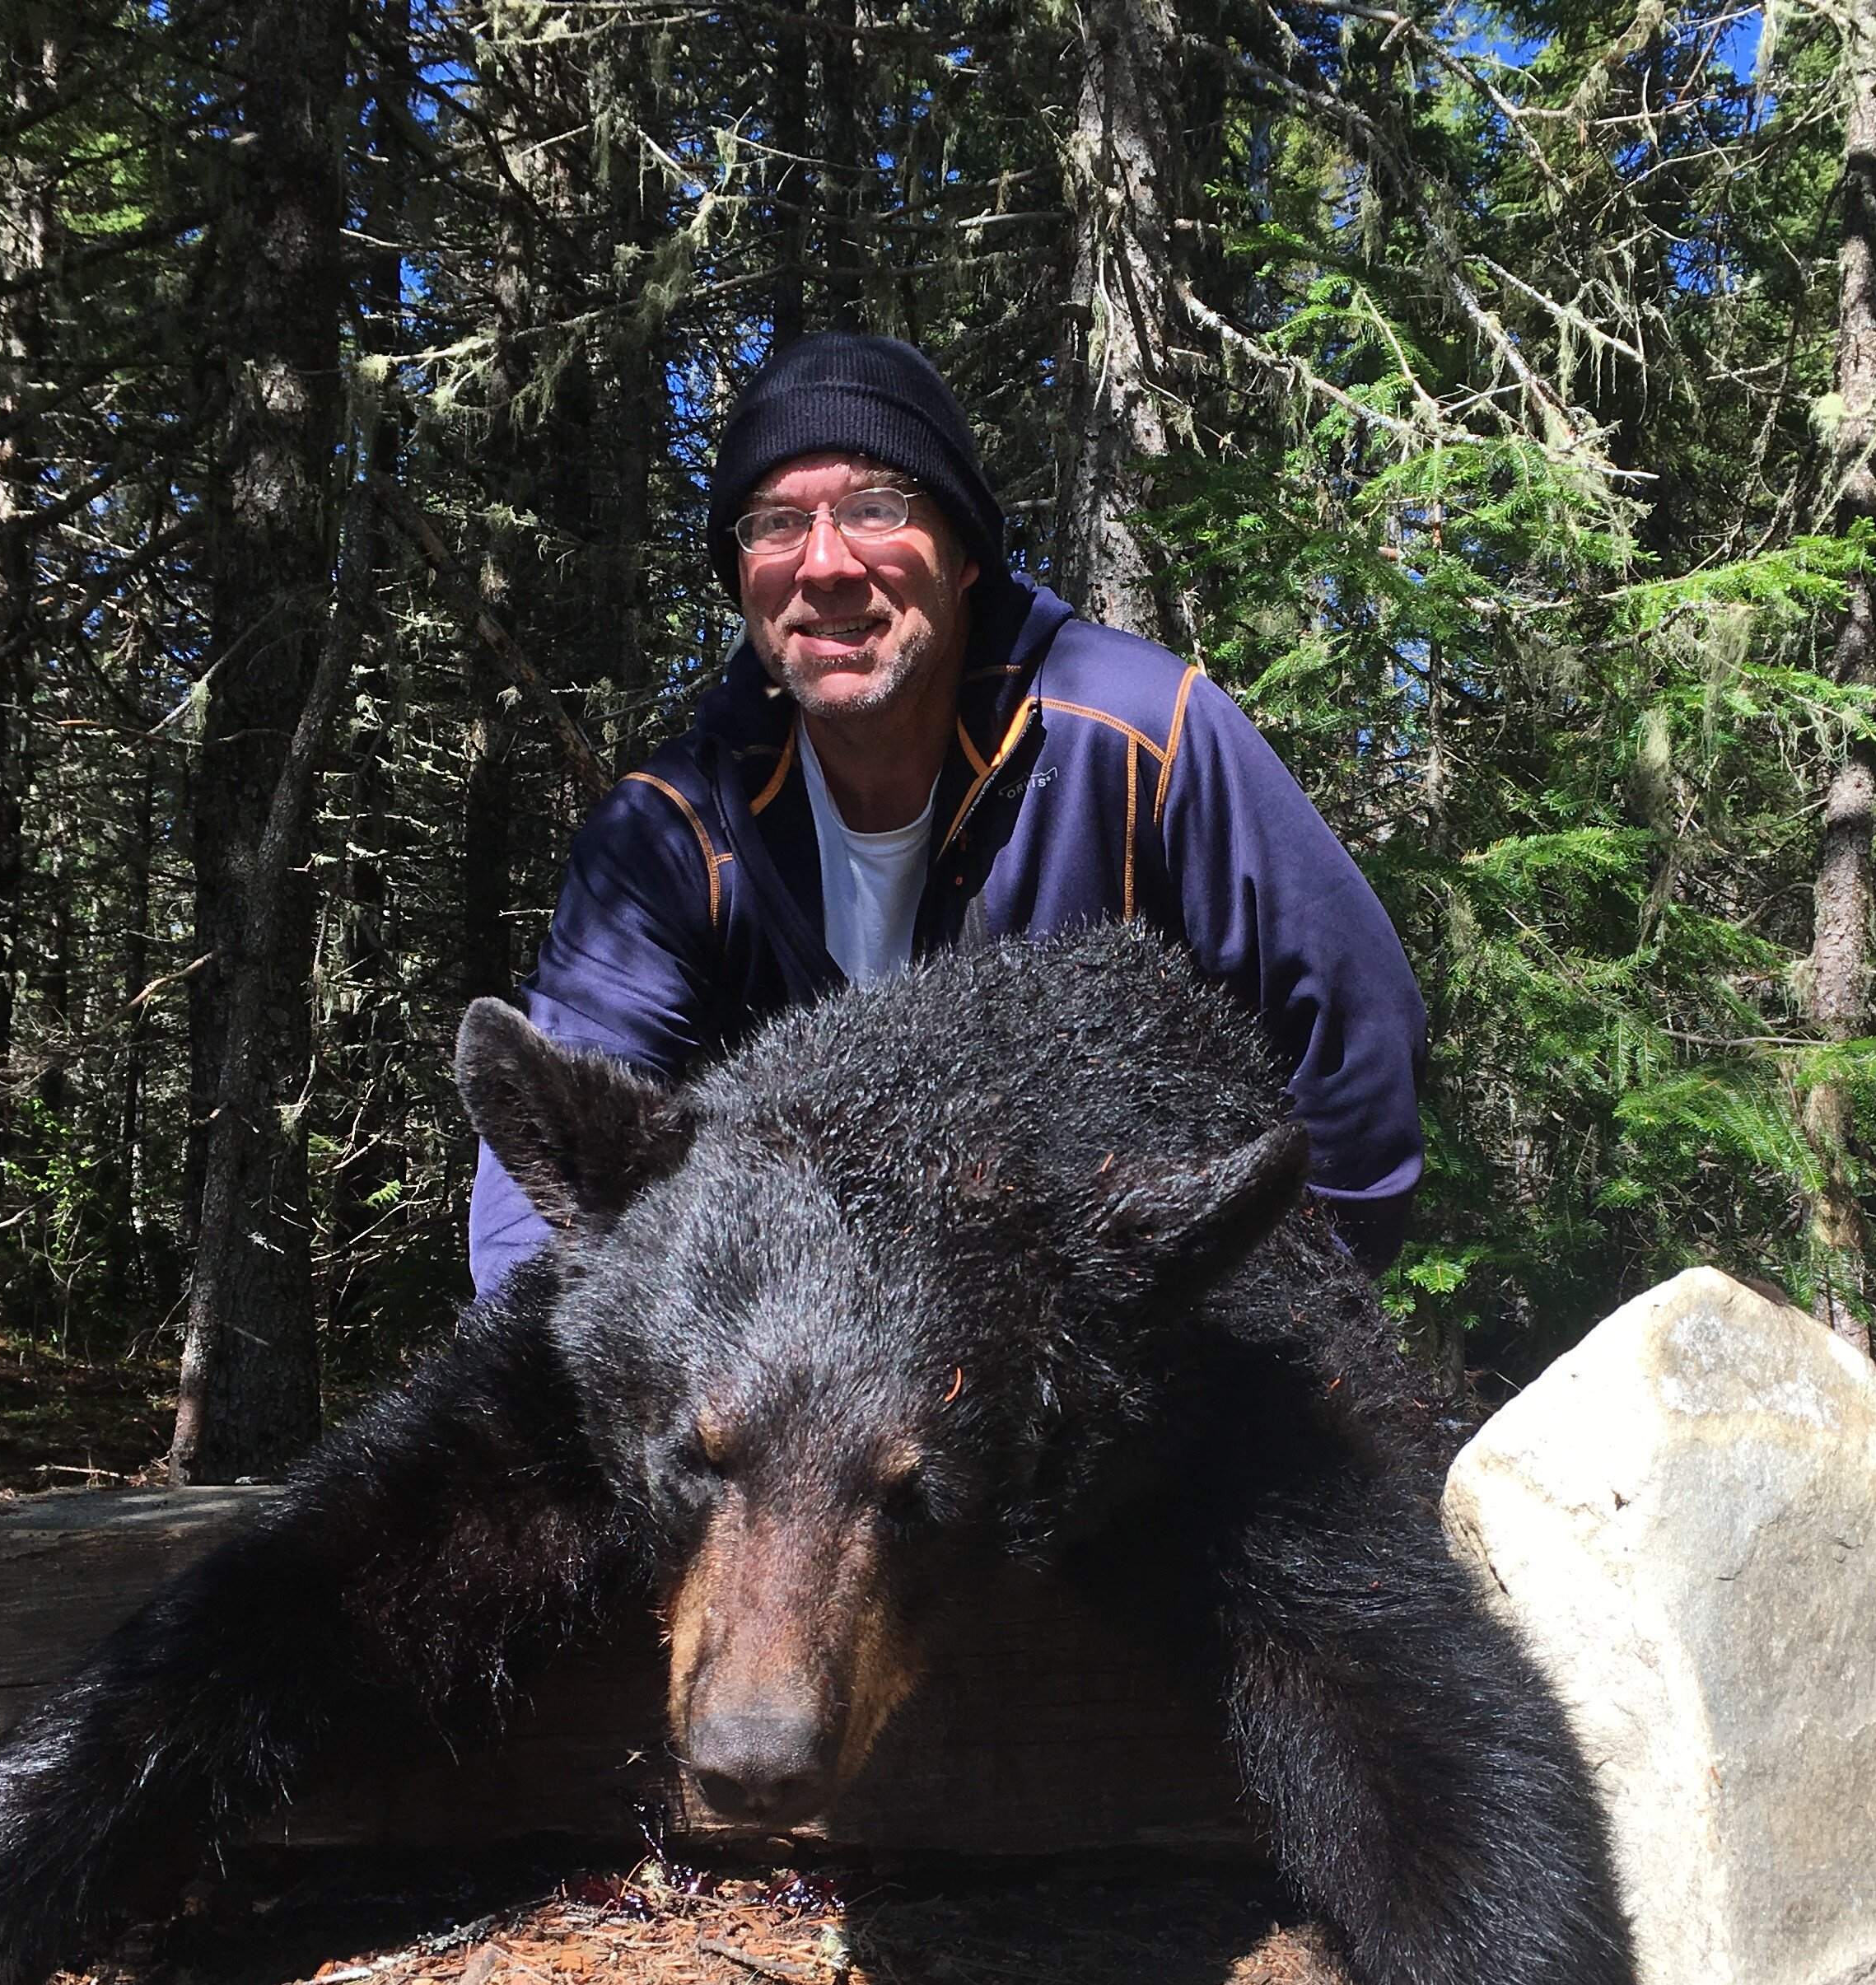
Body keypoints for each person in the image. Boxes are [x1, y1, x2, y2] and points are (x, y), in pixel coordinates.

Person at [466, 331, 1428, 1294]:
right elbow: (560, 1155)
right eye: (774, 524)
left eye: (877, 509)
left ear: (964, 553)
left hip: (1122, 1344)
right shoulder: (673, 838)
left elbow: (1352, 1038)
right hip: (799, 1381)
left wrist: (1288, 1329)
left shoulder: (1137, 739)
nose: (826, 566)